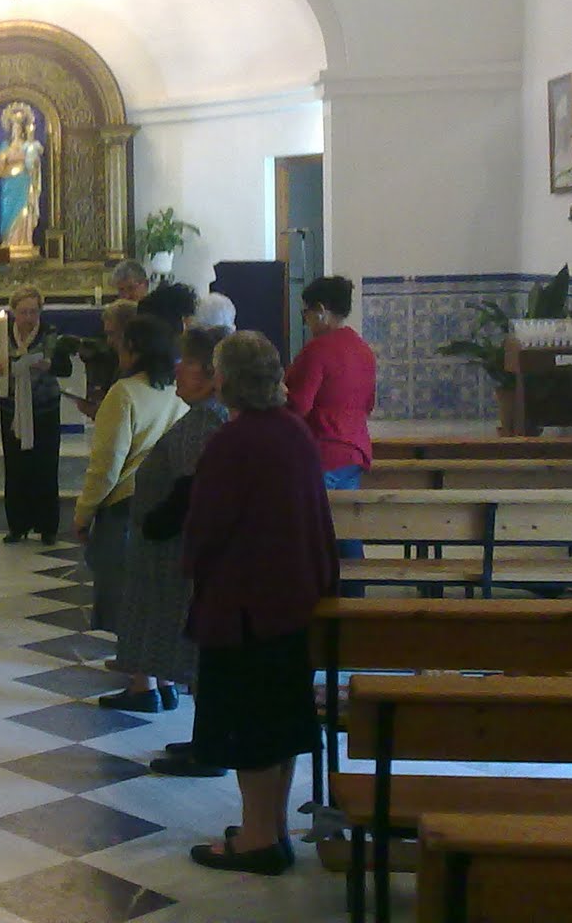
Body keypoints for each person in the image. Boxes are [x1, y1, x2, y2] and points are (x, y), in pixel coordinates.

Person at [183, 330, 338, 874]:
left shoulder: (234, 441)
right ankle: (272, 829)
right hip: (292, 599)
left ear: (225, 379)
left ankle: (255, 840)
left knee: (250, 723)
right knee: (279, 720)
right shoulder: (293, 430)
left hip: (245, 604)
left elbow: (207, 527)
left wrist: (192, 568)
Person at [113, 325, 233, 752]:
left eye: (189, 362)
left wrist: (157, 522)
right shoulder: (203, 415)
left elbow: (193, 487)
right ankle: (204, 740)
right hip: (170, 549)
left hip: (178, 550)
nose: (177, 368)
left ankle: (208, 745)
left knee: (192, 648)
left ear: (213, 374)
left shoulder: (207, 419)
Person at [73, 314, 188, 647]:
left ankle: (133, 665)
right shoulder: (178, 391)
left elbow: (106, 466)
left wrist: (83, 513)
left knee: (122, 589)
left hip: (127, 503)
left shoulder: (123, 392)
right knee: (159, 589)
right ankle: (156, 662)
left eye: (120, 343)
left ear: (134, 349)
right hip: (169, 501)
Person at [0, 285, 72, 545]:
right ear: (13, 312)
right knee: (16, 467)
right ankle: (18, 525)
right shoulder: (3, 334)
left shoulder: (50, 334)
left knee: (45, 466)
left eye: (33, 312)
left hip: (44, 408)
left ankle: (47, 526)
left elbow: (66, 368)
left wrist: (49, 364)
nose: (28, 317)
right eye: (23, 312)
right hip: (12, 409)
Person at [286, 276, 376, 492]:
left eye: (306, 313)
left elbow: (298, 406)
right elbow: (368, 404)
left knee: (314, 514)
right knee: (342, 513)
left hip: (322, 452)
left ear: (320, 310)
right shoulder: (364, 350)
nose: (306, 321)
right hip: (355, 452)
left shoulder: (317, 350)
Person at [0, 103, 44, 249]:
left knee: (24, 212)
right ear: (10, 129)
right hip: (10, 185)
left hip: (24, 182)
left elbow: (34, 164)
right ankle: (10, 241)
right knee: (8, 212)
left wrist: (33, 159)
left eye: (19, 127)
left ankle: (25, 241)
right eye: (14, 127)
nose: (16, 130)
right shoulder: (5, 146)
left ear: (23, 129)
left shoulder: (28, 146)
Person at [70, 298, 136, 419]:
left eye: (112, 334)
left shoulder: (133, 370)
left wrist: (97, 413)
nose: (109, 341)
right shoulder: (120, 361)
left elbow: (122, 417)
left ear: (127, 332)